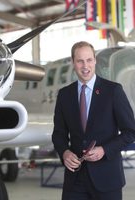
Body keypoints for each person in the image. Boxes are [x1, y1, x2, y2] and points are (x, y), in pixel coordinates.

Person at [52, 41, 135, 200]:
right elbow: (59, 134)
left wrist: (104, 150)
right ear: (73, 62)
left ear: (95, 60)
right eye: (80, 61)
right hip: (75, 179)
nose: (85, 66)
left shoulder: (113, 91)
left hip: (107, 179)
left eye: (89, 60)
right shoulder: (64, 95)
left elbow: (130, 132)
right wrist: (65, 152)